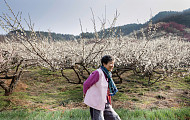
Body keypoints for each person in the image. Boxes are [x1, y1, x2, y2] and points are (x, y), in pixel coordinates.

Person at [83, 55, 121, 120]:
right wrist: (86, 94)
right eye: (110, 63)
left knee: (115, 118)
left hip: (105, 102)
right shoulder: (98, 73)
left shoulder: (107, 74)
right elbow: (86, 84)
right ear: (104, 64)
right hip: (96, 102)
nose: (112, 65)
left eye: (113, 63)